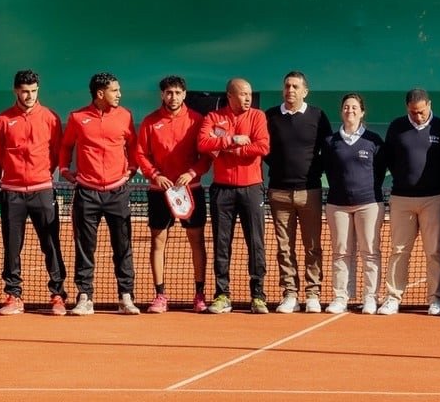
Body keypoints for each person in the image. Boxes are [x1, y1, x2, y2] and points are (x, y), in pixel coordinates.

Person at [58, 72, 140, 316]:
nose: (119, 94)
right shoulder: (77, 117)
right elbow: (66, 146)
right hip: (87, 193)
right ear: (100, 93)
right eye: (115, 90)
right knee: (85, 247)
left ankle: (126, 297)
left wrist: (132, 169)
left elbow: (133, 146)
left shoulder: (125, 116)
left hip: (118, 192)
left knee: (123, 247)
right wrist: (64, 169)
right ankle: (85, 297)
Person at [0, 70, 68, 316]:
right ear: (16, 91)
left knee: (51, 245)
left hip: (42, 191)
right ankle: (13, 295)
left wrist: (41, 175)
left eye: (33, 91)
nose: (29, 95)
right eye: (25, 91)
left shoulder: (50, 118)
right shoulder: (3, 120)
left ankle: (58, 295)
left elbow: (56, 153)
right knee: (12, 247)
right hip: (12, 193)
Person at [136, 76, 211, 313]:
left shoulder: (197, 120)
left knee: (197, 241)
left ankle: (199, 295)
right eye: (169, 92)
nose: (173, 97)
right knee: (157, 242)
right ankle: (160, 295)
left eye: (178, 92)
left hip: (191, 190)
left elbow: (206, 155)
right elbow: (140, 154)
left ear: (184, 94)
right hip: (160, 191)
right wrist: (155, 175)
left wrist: (192, 173)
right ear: (162, 95)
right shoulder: (150, 122)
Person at [197, 78, 270, 314]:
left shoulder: (257, 116)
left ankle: (258, 296)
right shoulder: (213, 117)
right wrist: (231, 140)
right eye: (242, 94)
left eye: (249, 94)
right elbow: (203, 143)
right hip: (222, 190)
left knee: (256, 243)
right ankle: (222, 295)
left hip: (252, 188)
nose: (248, 98)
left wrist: (232, 150)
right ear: (230, 96)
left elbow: (262, 147)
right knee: (221, 243)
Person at [265, 71, 332, 314]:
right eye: (287, 86)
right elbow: (265, 149)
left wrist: (314, 171)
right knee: (284, 247)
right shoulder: (271, 116)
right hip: (279, 192)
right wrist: (280, 168)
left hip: (309, 191)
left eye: (295, 87)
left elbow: (328, 149)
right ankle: (290, 294)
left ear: (305, 91)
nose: (290, 90)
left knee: (312, 245)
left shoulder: (317, 116)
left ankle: (313, 293)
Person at [378, 88, 440, 316]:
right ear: (407, 108)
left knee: (434, 251)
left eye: (421, 111)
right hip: (401, 199)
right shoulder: (397, 127)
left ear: (429, 105)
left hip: (434, 198)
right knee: (399, 250)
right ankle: (392, 298)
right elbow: (388, 159)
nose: (417, 116)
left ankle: (436, 299)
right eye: (413, 112)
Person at [322, 94, 385, 314]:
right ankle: (341, 297)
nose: (350, 110)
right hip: (337, 205)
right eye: (346, 107)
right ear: (341, 111)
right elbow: (328, 169)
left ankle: (370, 298)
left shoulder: (373, 140)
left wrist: (365, 190)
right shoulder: (330, 142)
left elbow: (379, 170)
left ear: (362, 112)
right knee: (341, 252)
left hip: (369, 203)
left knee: (370, 251)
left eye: (354, 107)